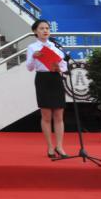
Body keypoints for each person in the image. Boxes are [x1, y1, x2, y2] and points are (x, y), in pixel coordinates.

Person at [25, 19, 69, 158]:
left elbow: (64, 66)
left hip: (56, 79)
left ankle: (60, 146)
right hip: (42, 79)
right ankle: (50, 147)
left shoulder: (55, 46)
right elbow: (29, 68)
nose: (45, 31)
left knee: (59, 115)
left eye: (47, 28)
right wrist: (33, 57)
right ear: (35, 31)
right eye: (42, 28)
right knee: (46, 115)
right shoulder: (32, 47)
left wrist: (59, 67)